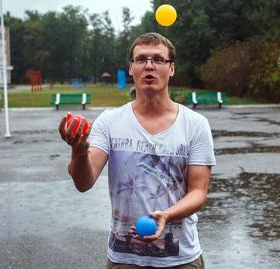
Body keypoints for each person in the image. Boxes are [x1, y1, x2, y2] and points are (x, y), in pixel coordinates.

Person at [58, 32, 216, 268]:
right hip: (124, 259)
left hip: (181, 259)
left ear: (171, 68)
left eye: (158, 59)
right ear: (131, 68)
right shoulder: (110, 121)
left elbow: (198, 192)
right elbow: (84, 182)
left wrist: (167, 216)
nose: (149, 66)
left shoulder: (195, 124)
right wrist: (79, 151)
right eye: (141, 59)